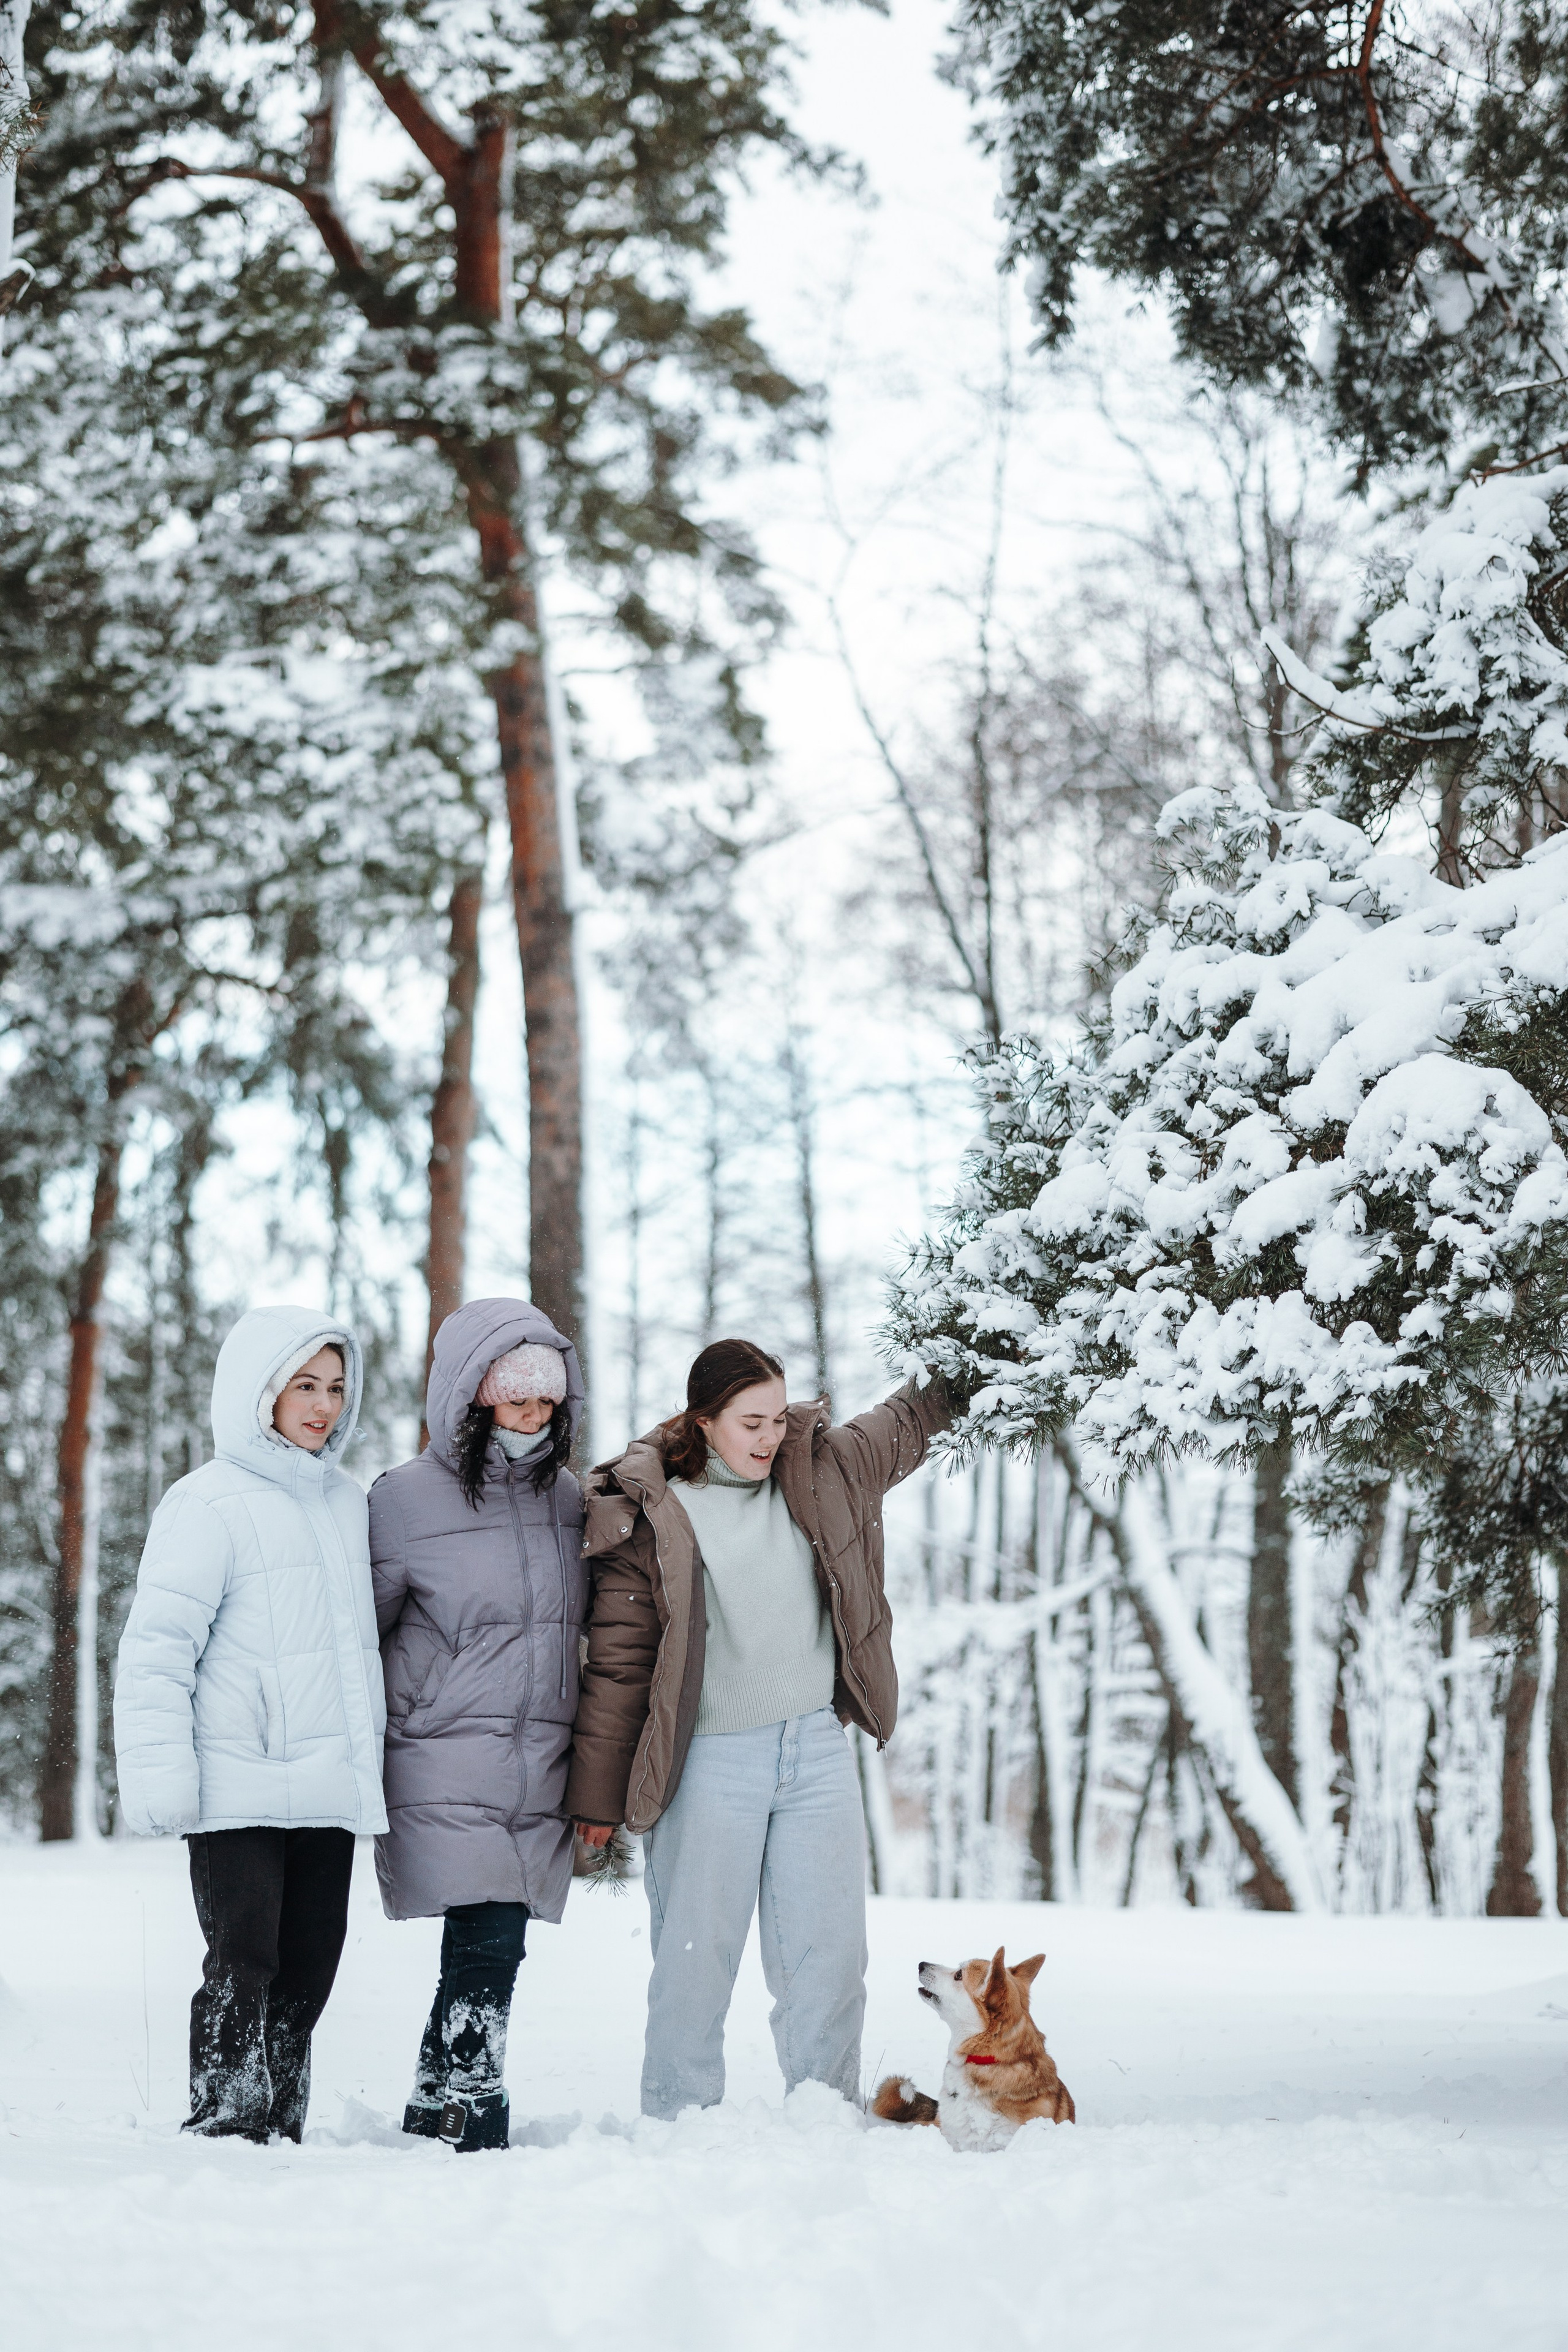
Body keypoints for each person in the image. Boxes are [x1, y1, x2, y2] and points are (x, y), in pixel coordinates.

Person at [568, 1337, 950, 2119]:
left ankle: (825, 2115)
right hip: (709, 1759)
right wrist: (599, 1799)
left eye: (779, 1417)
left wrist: (982, 1354)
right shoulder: (654, 1513)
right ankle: (676, 2120)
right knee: (694, 1958)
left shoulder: (821, 1473)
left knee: (831, 1960)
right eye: (751, 1422)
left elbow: (909, 1419)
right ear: (703, 1421)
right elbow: (620, 1663)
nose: (771, 1436)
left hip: (814, 1749)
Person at [113, 1305, 387, 2143]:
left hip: (327, 1786)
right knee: (243, 1961)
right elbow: (157, 1649)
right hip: (236, 1783)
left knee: (311, 1966)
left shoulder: (349, 1505)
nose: (323, 1405)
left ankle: (281, 2121)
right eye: (303, 1384)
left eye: (337, 1387)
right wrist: (164, 1782)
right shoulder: (205, 1503)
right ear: (257, 1390)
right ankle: (228, 2120)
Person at [371, 1298, 586, 2154]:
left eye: (546, 1404)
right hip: (440, 1747)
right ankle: (474, 2101)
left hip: (540, 1756)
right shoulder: (404, 1500)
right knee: (491, 1933)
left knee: (489, 1935)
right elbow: (361, 1631)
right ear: (469, 1399)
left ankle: (433, 2104)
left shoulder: (569, 1500)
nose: (532, 1419)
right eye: (514, 1400)